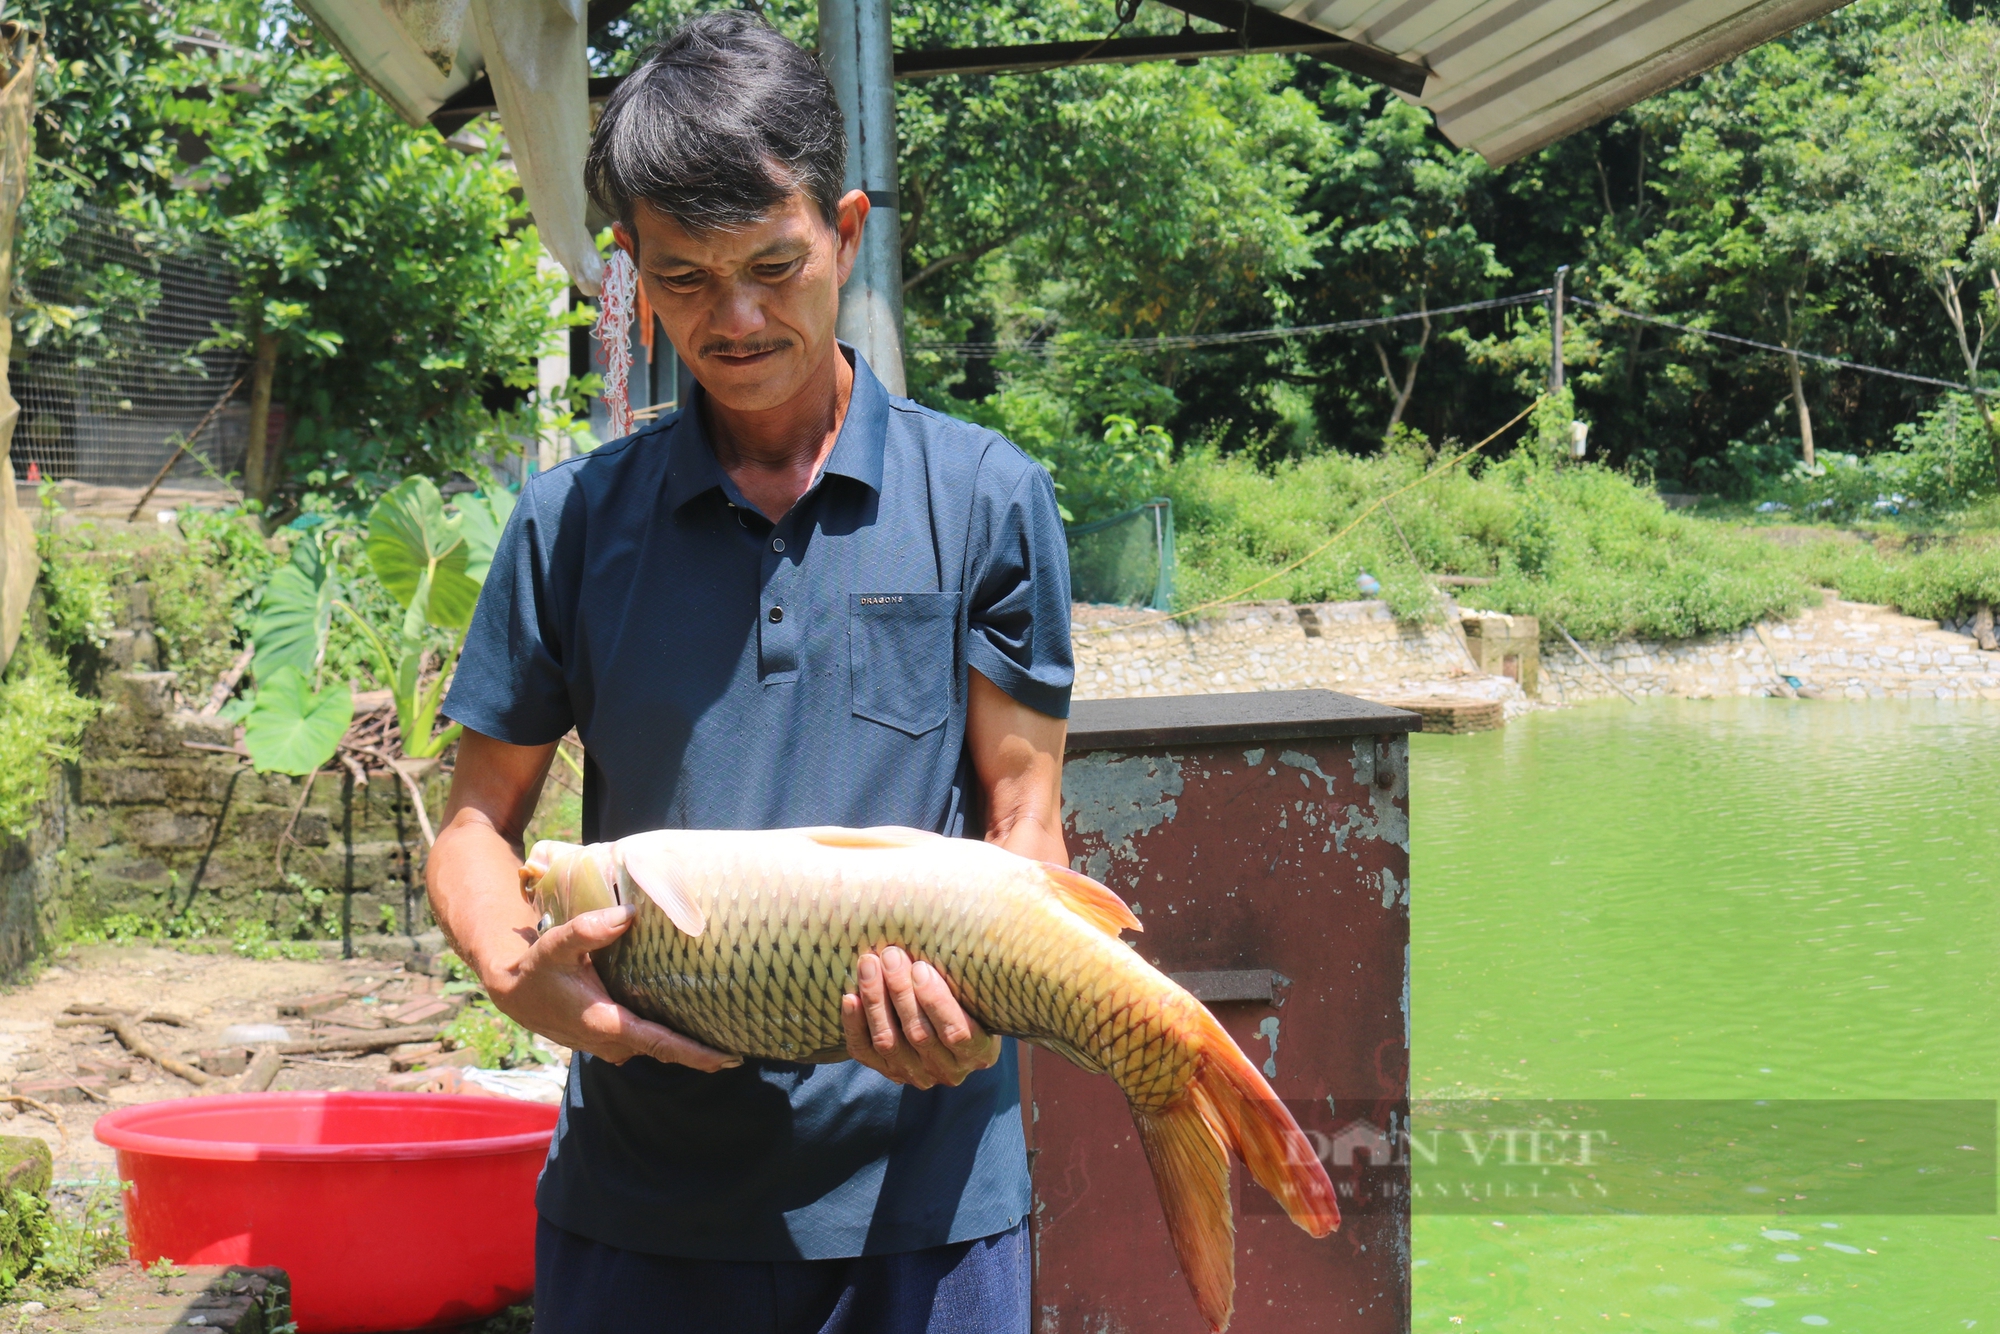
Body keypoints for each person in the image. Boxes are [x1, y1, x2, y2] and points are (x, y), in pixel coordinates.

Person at [425, 12, 1073, 1334]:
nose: (733, 318)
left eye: (775, 265)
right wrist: (514, 966)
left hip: (925, 1210)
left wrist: (986, 1008)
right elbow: (477, 824)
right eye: (683, 280)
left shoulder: (989, 500)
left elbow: (1026, 824)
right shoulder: (570, 524)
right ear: (630, 264)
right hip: (644, 1212)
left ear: (845, 227)